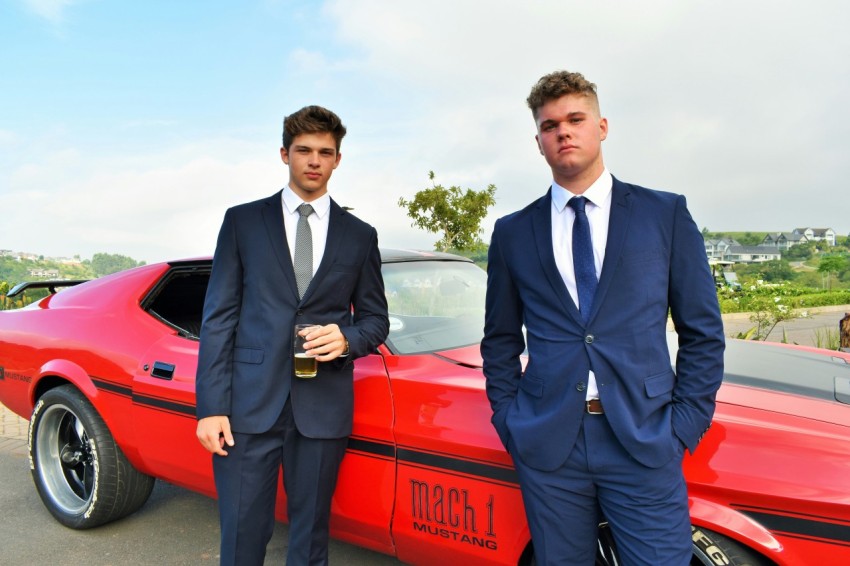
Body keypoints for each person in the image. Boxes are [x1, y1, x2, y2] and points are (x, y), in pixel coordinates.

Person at [481, 70, 725, 565]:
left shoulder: (664, 214)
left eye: (576, 119)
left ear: (602, 126)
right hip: (550, 446)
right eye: (550, 126)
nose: (563, 132)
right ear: (539, 142)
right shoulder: (513, 232)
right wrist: (510, 422)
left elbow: (703, 333)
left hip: (644, 437)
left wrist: (682, 426)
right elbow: (500, 339)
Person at [195, 105, 389, 566]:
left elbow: (376, 320)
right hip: (246, 409)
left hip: (322, 409)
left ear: (338, 159)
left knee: (310, 541)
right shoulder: (242, 222)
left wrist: (347, 340)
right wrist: (211, 408)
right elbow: (219, 318)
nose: (314, 161)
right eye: (304, 150)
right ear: (285, 154)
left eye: (325, 152)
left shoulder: (360, 235)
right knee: (242, 537)